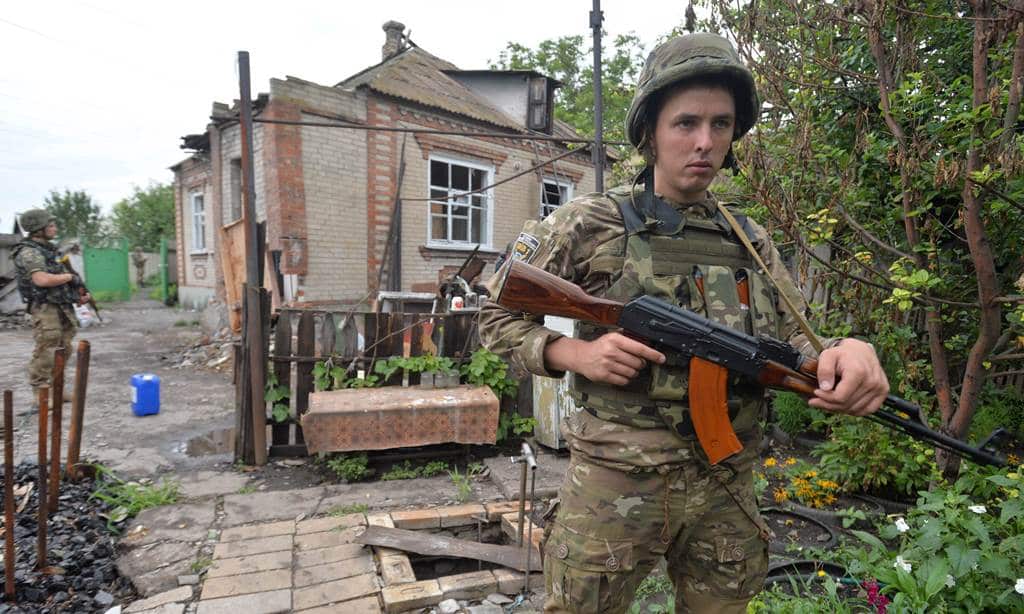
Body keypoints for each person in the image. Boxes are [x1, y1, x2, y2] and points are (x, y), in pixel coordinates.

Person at [478, 33, 890, 613]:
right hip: (616, 484)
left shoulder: (750, 237)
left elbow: (799, 338)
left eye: (721, 125)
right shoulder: (587, 222)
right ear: (650, 130)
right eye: (686, 123)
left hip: (725, 482)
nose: (705, 142)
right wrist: (571, 354)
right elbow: (493, 312)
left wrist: (843, 351)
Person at [12, 209, 86, 405]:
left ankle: (57, 390)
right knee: (47, 348)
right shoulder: (29, 252)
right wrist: (70, 277)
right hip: (45, 306)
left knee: (64, 347)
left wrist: (77, 294)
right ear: (38, 229)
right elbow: (42, 279)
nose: (55, 228)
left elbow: (58, 278)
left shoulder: (49, 250)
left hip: (61, 305)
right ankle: (41, 393)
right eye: (51, 225)